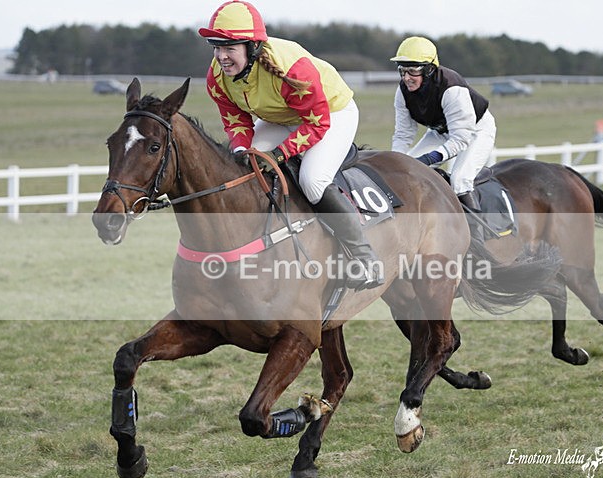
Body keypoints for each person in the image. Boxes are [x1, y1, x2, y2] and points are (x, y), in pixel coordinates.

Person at [198, 0, 383, 290]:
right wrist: (240, 152)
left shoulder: (292, 69)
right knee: (241, 167)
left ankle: (366, 260)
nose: (221, 57)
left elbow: (316, 123)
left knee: (312, 180)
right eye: (217, 48)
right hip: (281, 117)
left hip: (332, 114)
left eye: (229, 48)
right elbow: (236, 122)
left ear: (252, 47)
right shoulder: (217, 78)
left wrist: (278, 154)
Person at [390, 36, 497, 212]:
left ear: (429, 70)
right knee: (407, 172)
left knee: (459, 181)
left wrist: (430, 158)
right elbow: (403, 134)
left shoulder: (452, 89)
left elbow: (461, 139)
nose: (406, 77)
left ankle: (477, 235)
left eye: (413, 70)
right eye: (402, 70)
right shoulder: (402, 92)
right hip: (440, 132)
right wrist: (393, 162)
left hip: (475, 131)